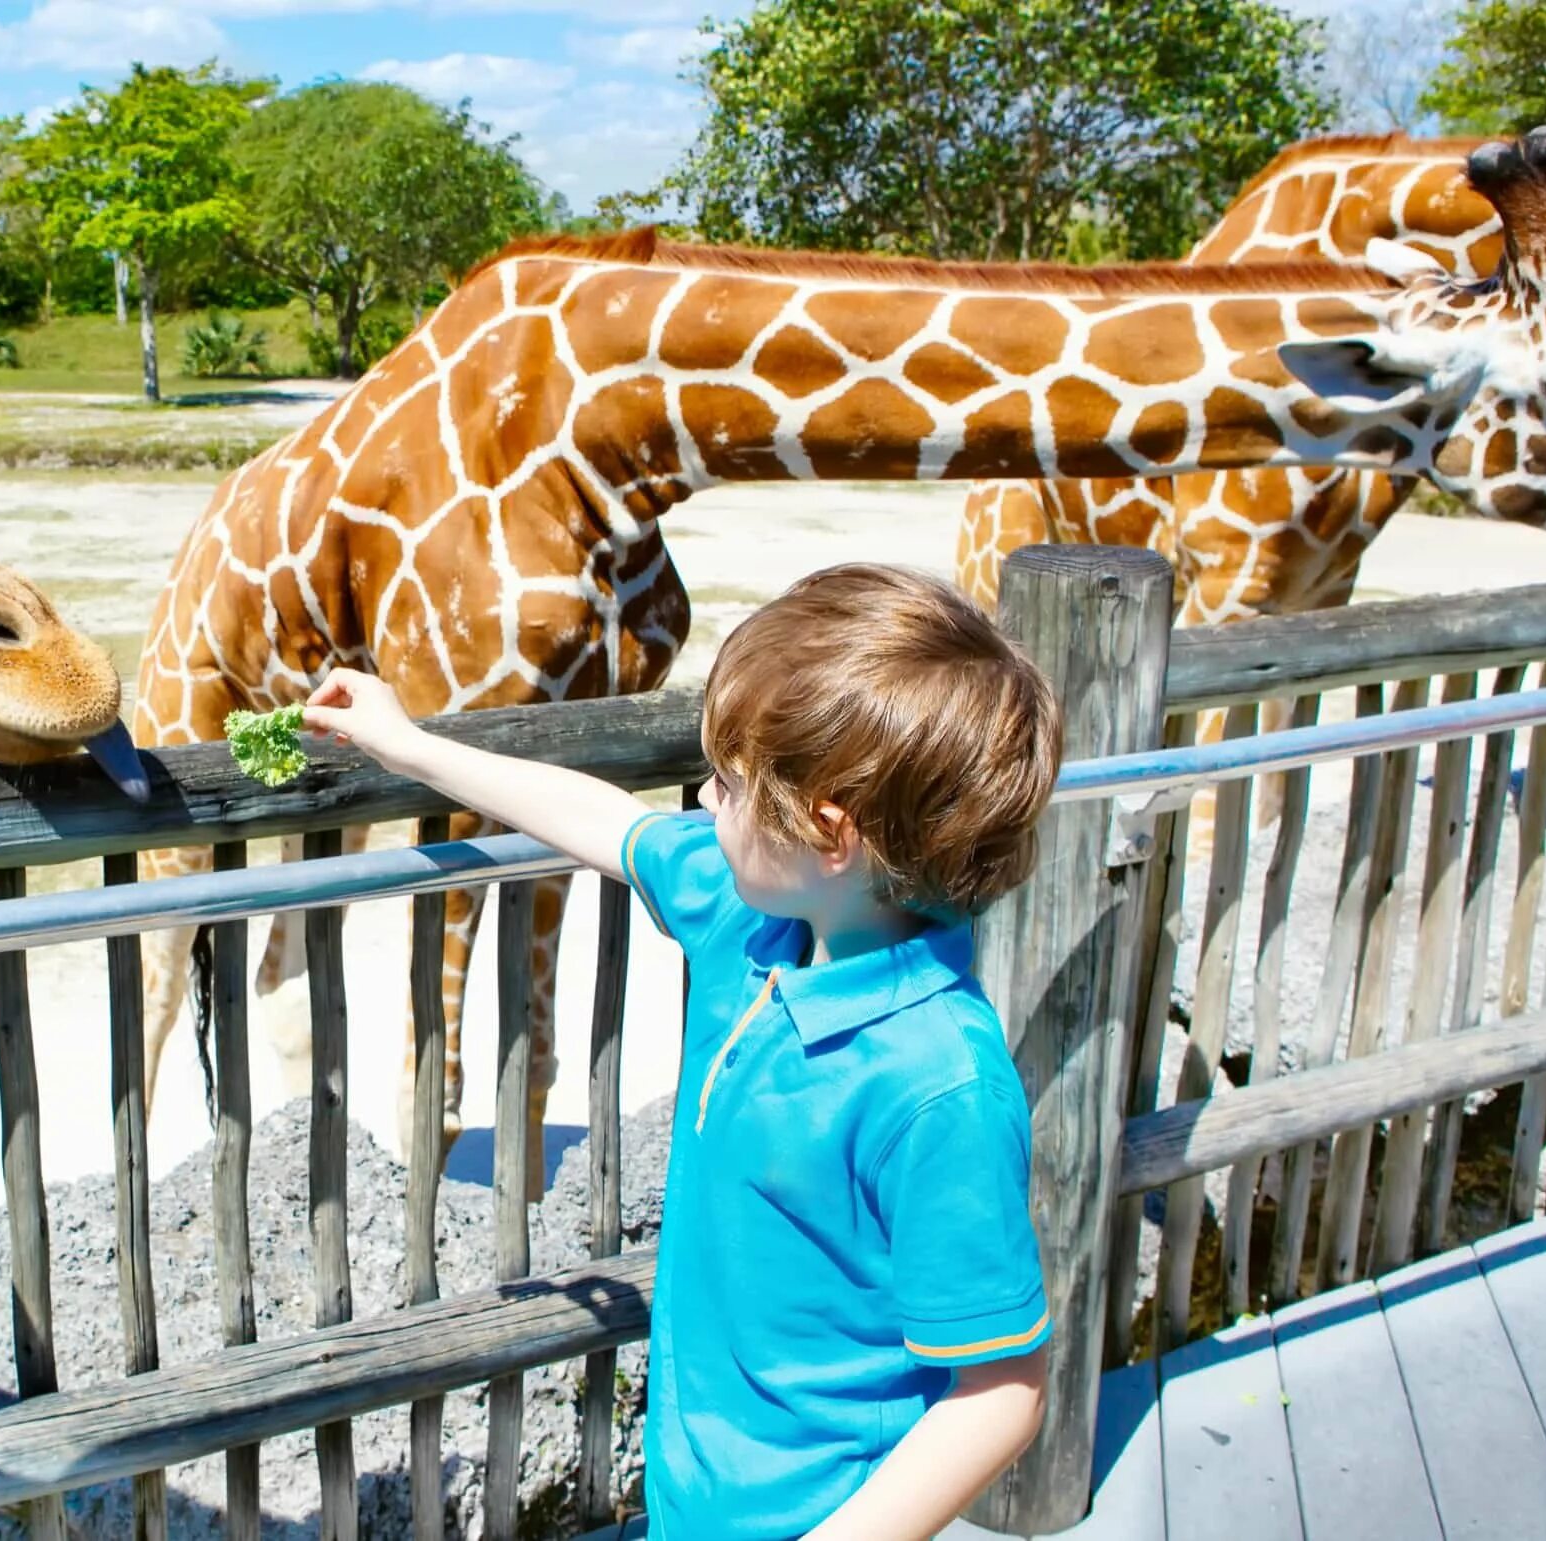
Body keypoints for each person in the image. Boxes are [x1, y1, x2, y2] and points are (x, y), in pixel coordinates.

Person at [303, 564, 1062, 1540]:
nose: (705, 798)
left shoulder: (937, 1084)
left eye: (733, 785)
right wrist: (406, 744)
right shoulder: (752, 916)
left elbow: (1002, 1386)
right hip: (691, 1499)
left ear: (827, 830)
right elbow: (607, 821)